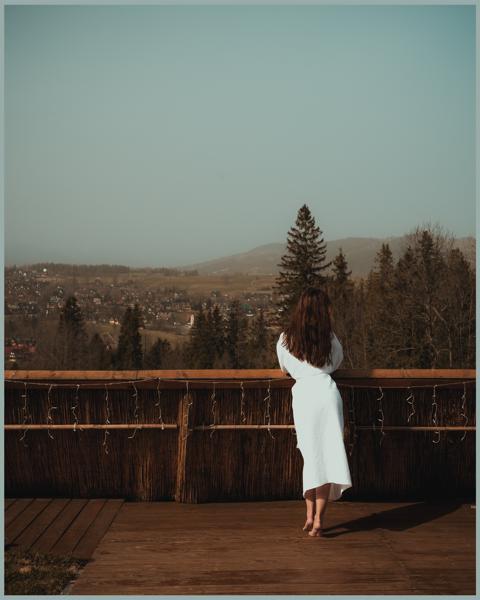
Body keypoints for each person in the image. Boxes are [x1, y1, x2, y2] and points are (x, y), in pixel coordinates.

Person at [276, 286, 352, 537]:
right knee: (329, 455)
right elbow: (337, 362)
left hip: (304, 397)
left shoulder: (286, 339)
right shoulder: (329, 338)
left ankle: (309, 514)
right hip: (328, 395)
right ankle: (319, 518)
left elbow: (284, 369)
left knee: (311, 457)